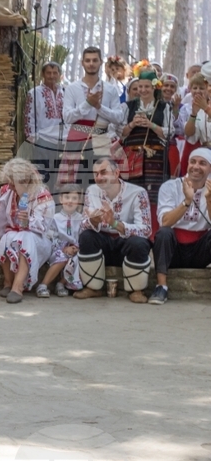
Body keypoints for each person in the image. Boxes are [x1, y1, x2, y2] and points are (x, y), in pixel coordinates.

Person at [75, 157, 152, 303]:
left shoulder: (138, 193)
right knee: (86, 236)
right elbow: (82, 225)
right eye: (96, 174)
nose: (99, 177)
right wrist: (92, 221)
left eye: (103, 172)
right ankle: (93, 288)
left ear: (116, 173)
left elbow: (146, 230)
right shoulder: (92, 190)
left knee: (139, 243)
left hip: (125, 245)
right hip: (103, 246)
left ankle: (137, 290)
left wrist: (115, 223)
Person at [151, 148, 211, 305]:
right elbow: (165, 221)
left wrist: (209, 200)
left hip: (200, 251)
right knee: (163, 232)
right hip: (174, 250)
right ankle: (161, 286)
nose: (196, 167)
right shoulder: (170, 186)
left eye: (203, 163)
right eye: (193, 162)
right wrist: (187, 201)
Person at [0, 158, 55, 303]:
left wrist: (28, 220)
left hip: (39, 241)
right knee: (8, 236)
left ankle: (17, 287)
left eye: (14, 183)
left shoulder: (42, 196)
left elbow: (43, 227)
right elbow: (1, 219)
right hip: (17, 235)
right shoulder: (6, 192)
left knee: (25, 237)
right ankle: (8, 282)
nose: (11, 186)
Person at [60, 47, 124, 188]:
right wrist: (87, 104)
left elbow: (119, 117)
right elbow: (67, 117)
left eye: (95, 60)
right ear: (82, 63)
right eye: (88, 60)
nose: (91, 63)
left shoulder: (110, 89)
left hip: (101, 138)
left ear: (101, 62)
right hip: (77, 139)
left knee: (100, 180)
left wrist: (99, 107)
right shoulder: (72, 88)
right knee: (74, 182)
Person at [120, 61, 171, 226]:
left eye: (147, 86)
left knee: (154, 194)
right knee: (132, 193)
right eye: (140, 86)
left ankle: (153, 232)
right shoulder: (128, 107)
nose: (143, 90)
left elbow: (170, 132)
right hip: (133, 157)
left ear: (154, 87)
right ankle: (131, 228)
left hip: (155, 159)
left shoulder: (164, 107)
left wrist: (152, 125)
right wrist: (132, 124)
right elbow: (120, 133)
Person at [39, 185, 85, 297]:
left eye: (74, 198)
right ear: (61, 199)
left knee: (79, 258)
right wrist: (64, 248)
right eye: (67, 197)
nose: (70, 201)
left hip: (75, 250)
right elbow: (50, 237)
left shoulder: (82, 219)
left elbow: (82, 236)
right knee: (63, 256)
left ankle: (61, 284)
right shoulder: (55, 218)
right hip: (58, 249)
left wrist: (75, 247)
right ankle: (43, 285)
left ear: (79, 201)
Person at [23, 61, 64, 187]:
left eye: (55, 73)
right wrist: (33, 138)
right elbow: (29, 116)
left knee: (58, 173)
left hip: (60, 141)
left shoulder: (64, 92)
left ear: (59, 74)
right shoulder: (34, 93)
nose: (52, 76)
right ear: (42, 74)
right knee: (42, 173)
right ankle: (43, 200)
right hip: (42, 140)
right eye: (48, 73)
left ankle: (56, 202)